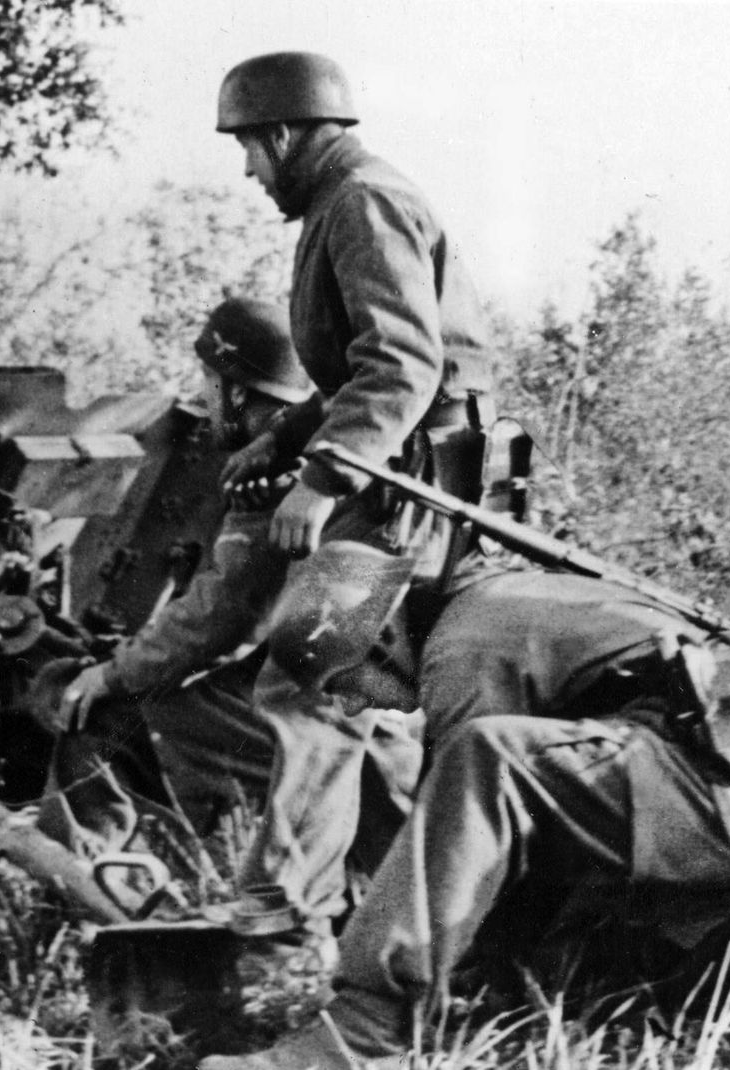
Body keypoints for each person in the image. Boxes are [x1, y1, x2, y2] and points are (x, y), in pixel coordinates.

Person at [203, 558, 730, 1070]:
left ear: (383, 635)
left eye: (345, 681)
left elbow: (464, 840)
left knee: (488, 758)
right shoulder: (504, 596)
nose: (358, 702)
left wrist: (409, 955)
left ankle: (364, 1032)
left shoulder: (464, 651)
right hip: (724, 794)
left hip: (712, 802)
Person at [210, 50, 501, 951]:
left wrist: (322, 478)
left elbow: (403, 366)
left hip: (400, 491)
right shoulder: (344, 202)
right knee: (361, 701)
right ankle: (414, 915)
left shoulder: (362, 202)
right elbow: (352, 366)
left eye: (250, 149)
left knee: (308, 678)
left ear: (285, 133)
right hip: (401, 477)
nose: (249, 172)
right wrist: (286, 434)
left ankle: (280, 927)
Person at [36, 298, 417, 916]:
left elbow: (220, 616)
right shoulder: (357, 445)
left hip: (340, 727)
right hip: (392, 723)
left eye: (210, 385)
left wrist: (107, 674)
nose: (206, 399)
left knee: (103, 725)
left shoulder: (279, 467)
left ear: (235, 391)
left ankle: (99, 913)